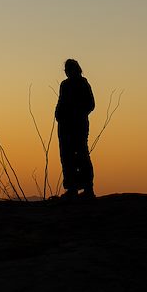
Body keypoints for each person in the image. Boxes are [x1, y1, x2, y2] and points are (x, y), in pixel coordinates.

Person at [54, 58, 95, 198]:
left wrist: (77, 113)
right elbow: (61, 102)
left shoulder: (83, 84)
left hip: (78, 126)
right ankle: (72, 188)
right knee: (67, 156)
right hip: (65, 127)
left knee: (82, 155)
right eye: (66, 70)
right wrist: (59, 115)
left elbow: (90, 104)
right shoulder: (64, 85)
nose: (67, 72)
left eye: (69, 69)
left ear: (76, 69)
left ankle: (88, 188)